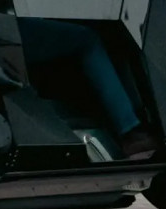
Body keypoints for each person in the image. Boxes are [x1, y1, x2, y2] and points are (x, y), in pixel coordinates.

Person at [19, 17, 158, 160]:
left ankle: (133, 124)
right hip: (12, 30)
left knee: (107, 29)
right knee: (88, 39)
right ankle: (131, 134)